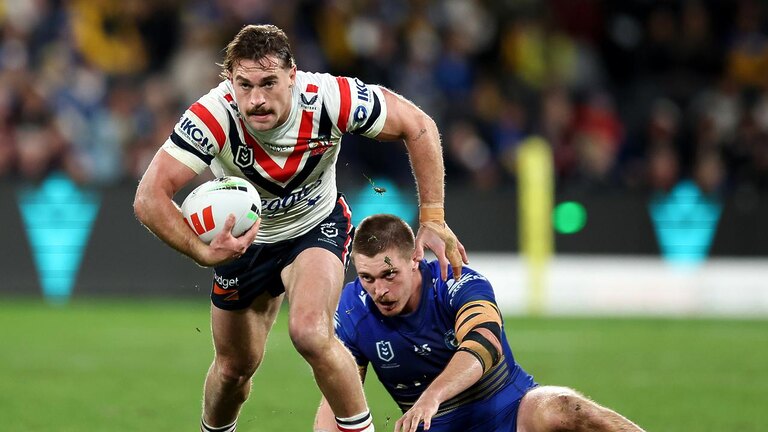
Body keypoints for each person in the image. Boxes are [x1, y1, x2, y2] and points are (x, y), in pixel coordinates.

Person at [133, 24, 467, 432]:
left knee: (310, 331)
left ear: (293, 76)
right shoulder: (213, 115)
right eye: (244, 85)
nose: (256, 99)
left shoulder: (330, 98)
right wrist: (200, 250)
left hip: (315, 227)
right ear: (230, 82)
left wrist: (433, 217)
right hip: (245, 244)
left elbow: (418, 125)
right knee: (234, 371)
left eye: (269, 83)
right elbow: (149, 198)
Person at [315, 214, 646, 432]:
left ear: (416, 259)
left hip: (511, 412)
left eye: (389, 274)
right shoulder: (351, 309)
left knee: (564, 409)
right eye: (367, 278)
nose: (380, 290)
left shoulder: (457, 282)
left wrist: (432, 397)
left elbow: (484, 344)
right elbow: (337, 390)